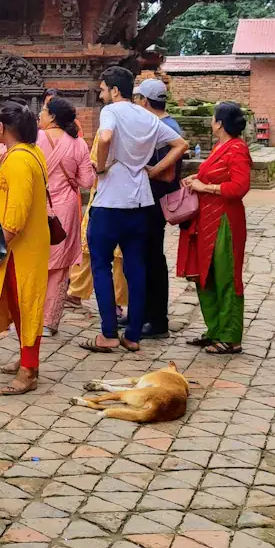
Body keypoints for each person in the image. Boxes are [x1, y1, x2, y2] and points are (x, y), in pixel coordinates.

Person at [83, 67, 186, 355]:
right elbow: (181, 145)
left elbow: (105, 138)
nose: (101, 94)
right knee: (136, 267)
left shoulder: (111, 111)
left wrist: (101, 166)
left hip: (109, 202)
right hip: (140, 201)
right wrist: (152, 170)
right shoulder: (147, 116)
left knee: (101, 266)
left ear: (115, 90)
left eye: (103, 89)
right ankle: (133, 335)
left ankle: (108, 333)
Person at [0, 103, 51, 396]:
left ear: (3, 127)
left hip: (19, 249)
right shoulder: (27, 153)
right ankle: (26, 359)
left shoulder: (19, 160)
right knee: (20, 305)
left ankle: (29, 370)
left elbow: (17, 216)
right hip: (21, 247)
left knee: (26, 306)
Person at [176, 103, 252, 354]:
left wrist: (205, 187)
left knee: (226, 275)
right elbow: (213, 175)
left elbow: (239, 187)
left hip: (225, 220)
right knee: (206, 275)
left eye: (213, 118)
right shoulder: (220, 147)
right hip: (207, 219)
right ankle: (215, 329)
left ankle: (230, 337)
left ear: (220, 123)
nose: (211, 122)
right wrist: (196, 179)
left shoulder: (237, 149)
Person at [39, 96, 95, 336]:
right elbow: (87, 181)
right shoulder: (78, 143)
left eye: (43, 110)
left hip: (39, 205)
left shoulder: (34, 139)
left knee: (35, 261)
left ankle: (30, 315)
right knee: (60, 267)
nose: (40, 114)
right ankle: (49, 321)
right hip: (65, 209)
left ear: (52, 116)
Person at [134, 77, 184, 338]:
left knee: (153, 260)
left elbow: (168, 174)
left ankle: (157, 320)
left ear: (144, 101)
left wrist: (144, 170)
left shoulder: (164, 129)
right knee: (144, 258)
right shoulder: (164, 124)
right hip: (151, 200)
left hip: (156, 201)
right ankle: (142, 313)